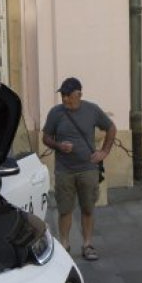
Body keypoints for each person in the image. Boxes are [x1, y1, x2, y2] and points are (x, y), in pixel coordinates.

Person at [42, 77, 116, 261]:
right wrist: (59, 145)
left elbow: (111, 128)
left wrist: (104, 152)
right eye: (63, 95)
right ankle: (65, 245)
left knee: (88, 208)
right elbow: (46, 137)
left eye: (69, 95)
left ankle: (87, 244)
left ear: (79, 94)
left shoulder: (92, 110)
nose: (65, 99)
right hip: (64, 170)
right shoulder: (56, 113)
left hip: (88, 169)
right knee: (64, 210)